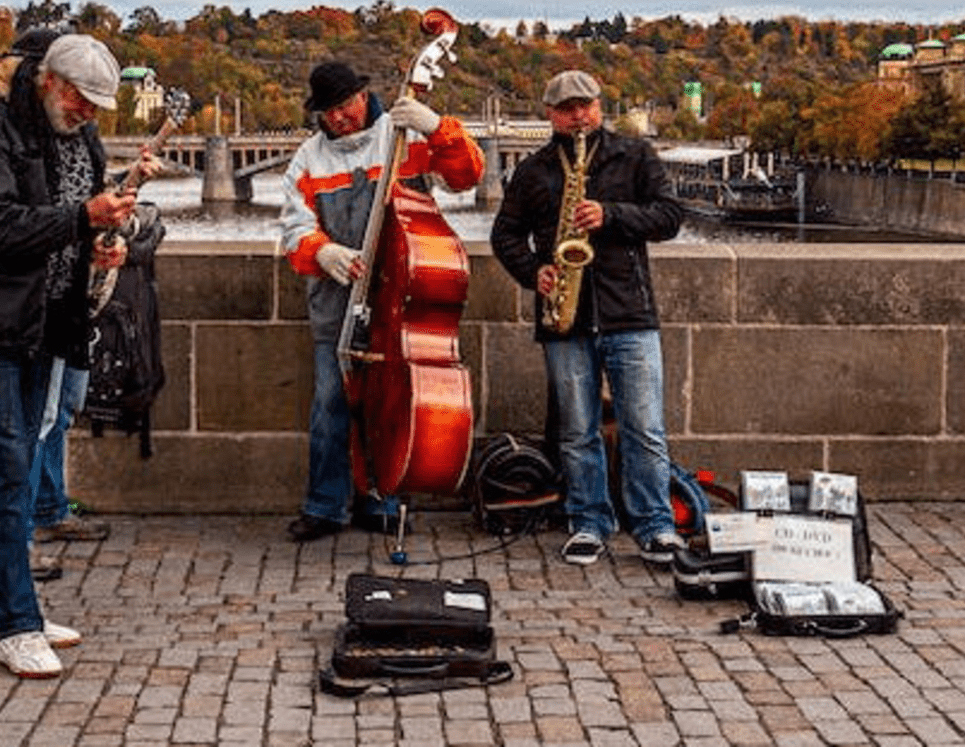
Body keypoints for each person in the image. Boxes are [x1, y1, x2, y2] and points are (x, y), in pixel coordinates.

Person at [0, 33, 137, 678]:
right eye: (82, 102)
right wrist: (83, 218)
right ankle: (17, 624)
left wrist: (103, 243)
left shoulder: (79, 135)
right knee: (9, 467)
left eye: (96, 108)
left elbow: (81, 222)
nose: (87, 116)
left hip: (54, 318)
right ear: (49, 81)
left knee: (19, 466)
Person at [279, 61, 484, 542]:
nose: (339, 118)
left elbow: (467, 174)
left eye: (345, 106)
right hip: (337, 305)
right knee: (331, 403)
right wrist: (323, 252)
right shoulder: (307, 159)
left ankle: (383, 497)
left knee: (391, 405)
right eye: (329, 112)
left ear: (362, 95)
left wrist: (436, 127)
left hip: (401, 299)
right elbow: (294, 229)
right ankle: (325, 505)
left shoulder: (402, 134)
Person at [490, 69, 685, 566]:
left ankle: (655, 524)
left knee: (645, 427)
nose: (579, 116)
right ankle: (589, 521)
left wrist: (612, 215)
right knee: (577, 431)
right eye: (567, 108)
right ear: (550, 114)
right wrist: (535, 273)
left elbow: (668, 217)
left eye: (587, 106)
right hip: (566, 318)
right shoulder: (533, 170)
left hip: (629, 313)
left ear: (600, 106)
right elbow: (504, 236)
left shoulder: (635, 155)